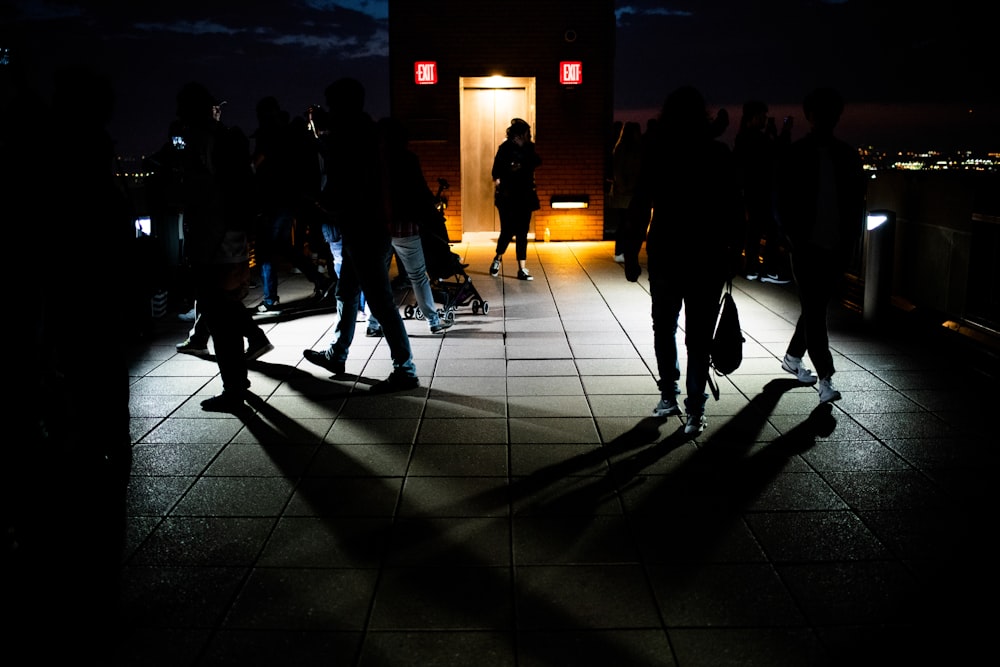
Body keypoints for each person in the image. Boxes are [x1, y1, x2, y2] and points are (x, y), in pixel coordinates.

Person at [622, 85, 745, 435]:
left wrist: (631, 254)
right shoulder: (718, 154)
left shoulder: (659, 152)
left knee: (664, 325)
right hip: (708, 255)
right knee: (700, 335)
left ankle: (668, 393)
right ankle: (695, 408)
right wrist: (736, 250)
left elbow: (640, 205)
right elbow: (734, 208)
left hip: (667, 253)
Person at [302, 76, 419, 392]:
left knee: (379, 302)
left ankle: (405, 370)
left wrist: (320, 201)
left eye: (332, 105)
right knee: (348, 292)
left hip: (363, 228)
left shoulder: (352, 136)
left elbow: (346, 183)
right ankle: (337, 353)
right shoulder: (366, 131)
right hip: (368, 227)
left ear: (341, 105)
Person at [774, 87, 866, 404]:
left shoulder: (825, 155)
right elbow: (783, 200)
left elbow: (855, 204)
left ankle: (792, 357)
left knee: (814, 308)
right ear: (811, 116)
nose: (826, 119)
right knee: (815, 310)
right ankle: (825, 377)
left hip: (830, 246)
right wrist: (792, 235)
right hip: (810, 246)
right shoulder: (841, 156)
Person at [171, 81, 258, 411]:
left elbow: (201, 195)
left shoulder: (202, 143)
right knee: (227, 314)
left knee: (220, 318)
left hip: (213, 243)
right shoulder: (226, 138)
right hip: (232, 239)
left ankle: (233, 389)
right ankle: (238, 380)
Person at [370, 116, 454, 334]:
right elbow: (419, 190)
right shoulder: (408, 158)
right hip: (405, 225)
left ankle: (373, 322)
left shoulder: (373, 159)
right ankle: (433, 321)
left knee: (379, 277)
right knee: (417, 275)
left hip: (379, 227)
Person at [250, 95, 333, 313]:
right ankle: (320, 280)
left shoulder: (269, 135)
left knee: (266, 249)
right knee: (282, 246)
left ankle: (270, 299)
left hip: (273, 200)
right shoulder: (288, 132)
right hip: (289, 198)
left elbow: (257, 164)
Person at [733, 99, 793, 283]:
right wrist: (783, 133)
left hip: (752, 190)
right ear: (752, 118)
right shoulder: (755, 138)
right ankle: (767, 270)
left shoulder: (743, 137)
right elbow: (777, 153)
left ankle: (752, 267)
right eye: (761, 117)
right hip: (761, 191)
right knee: (769, 230)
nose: (764, 120)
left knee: (755, 230)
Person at [489, 118, 542, 281]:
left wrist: (524, 158)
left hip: (525, 196)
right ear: (519, 134)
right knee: (507, 230)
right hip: (508, 197)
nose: (530, 136)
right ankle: (498, 257)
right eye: (527, 133)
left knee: (522, 232)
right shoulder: (504, 149)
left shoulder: (529, 149)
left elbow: (537, 161)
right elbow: (495, 171)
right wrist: (510, 169)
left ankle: (522, 268)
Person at [609, 121, 643, 263]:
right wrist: (624, 186)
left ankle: (623, 251)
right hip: (625, 191)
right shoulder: (624, 148)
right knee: (625, 223)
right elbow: (618, 170)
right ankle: (621, 251)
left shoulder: (625, 148)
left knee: (627, 222)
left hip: (627, 191)